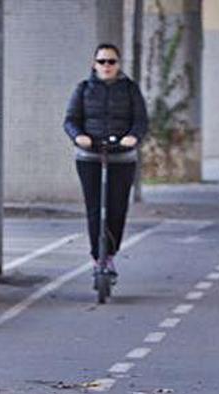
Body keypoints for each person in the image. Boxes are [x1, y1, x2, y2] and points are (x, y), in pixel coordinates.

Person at [63, 43, 148, 282]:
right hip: (90, 156)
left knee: (117, 208)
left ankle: (110, 254)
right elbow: (70, 119)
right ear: (94, 64)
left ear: (118, 65)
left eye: (111, 62)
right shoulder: (83, 89)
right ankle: (97, 257)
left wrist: (133, 137)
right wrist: (79, 136)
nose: (107, 66)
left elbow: (141, 120)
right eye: (102, 61)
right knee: (95, 208)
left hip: (122, 157)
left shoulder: (130, 90)